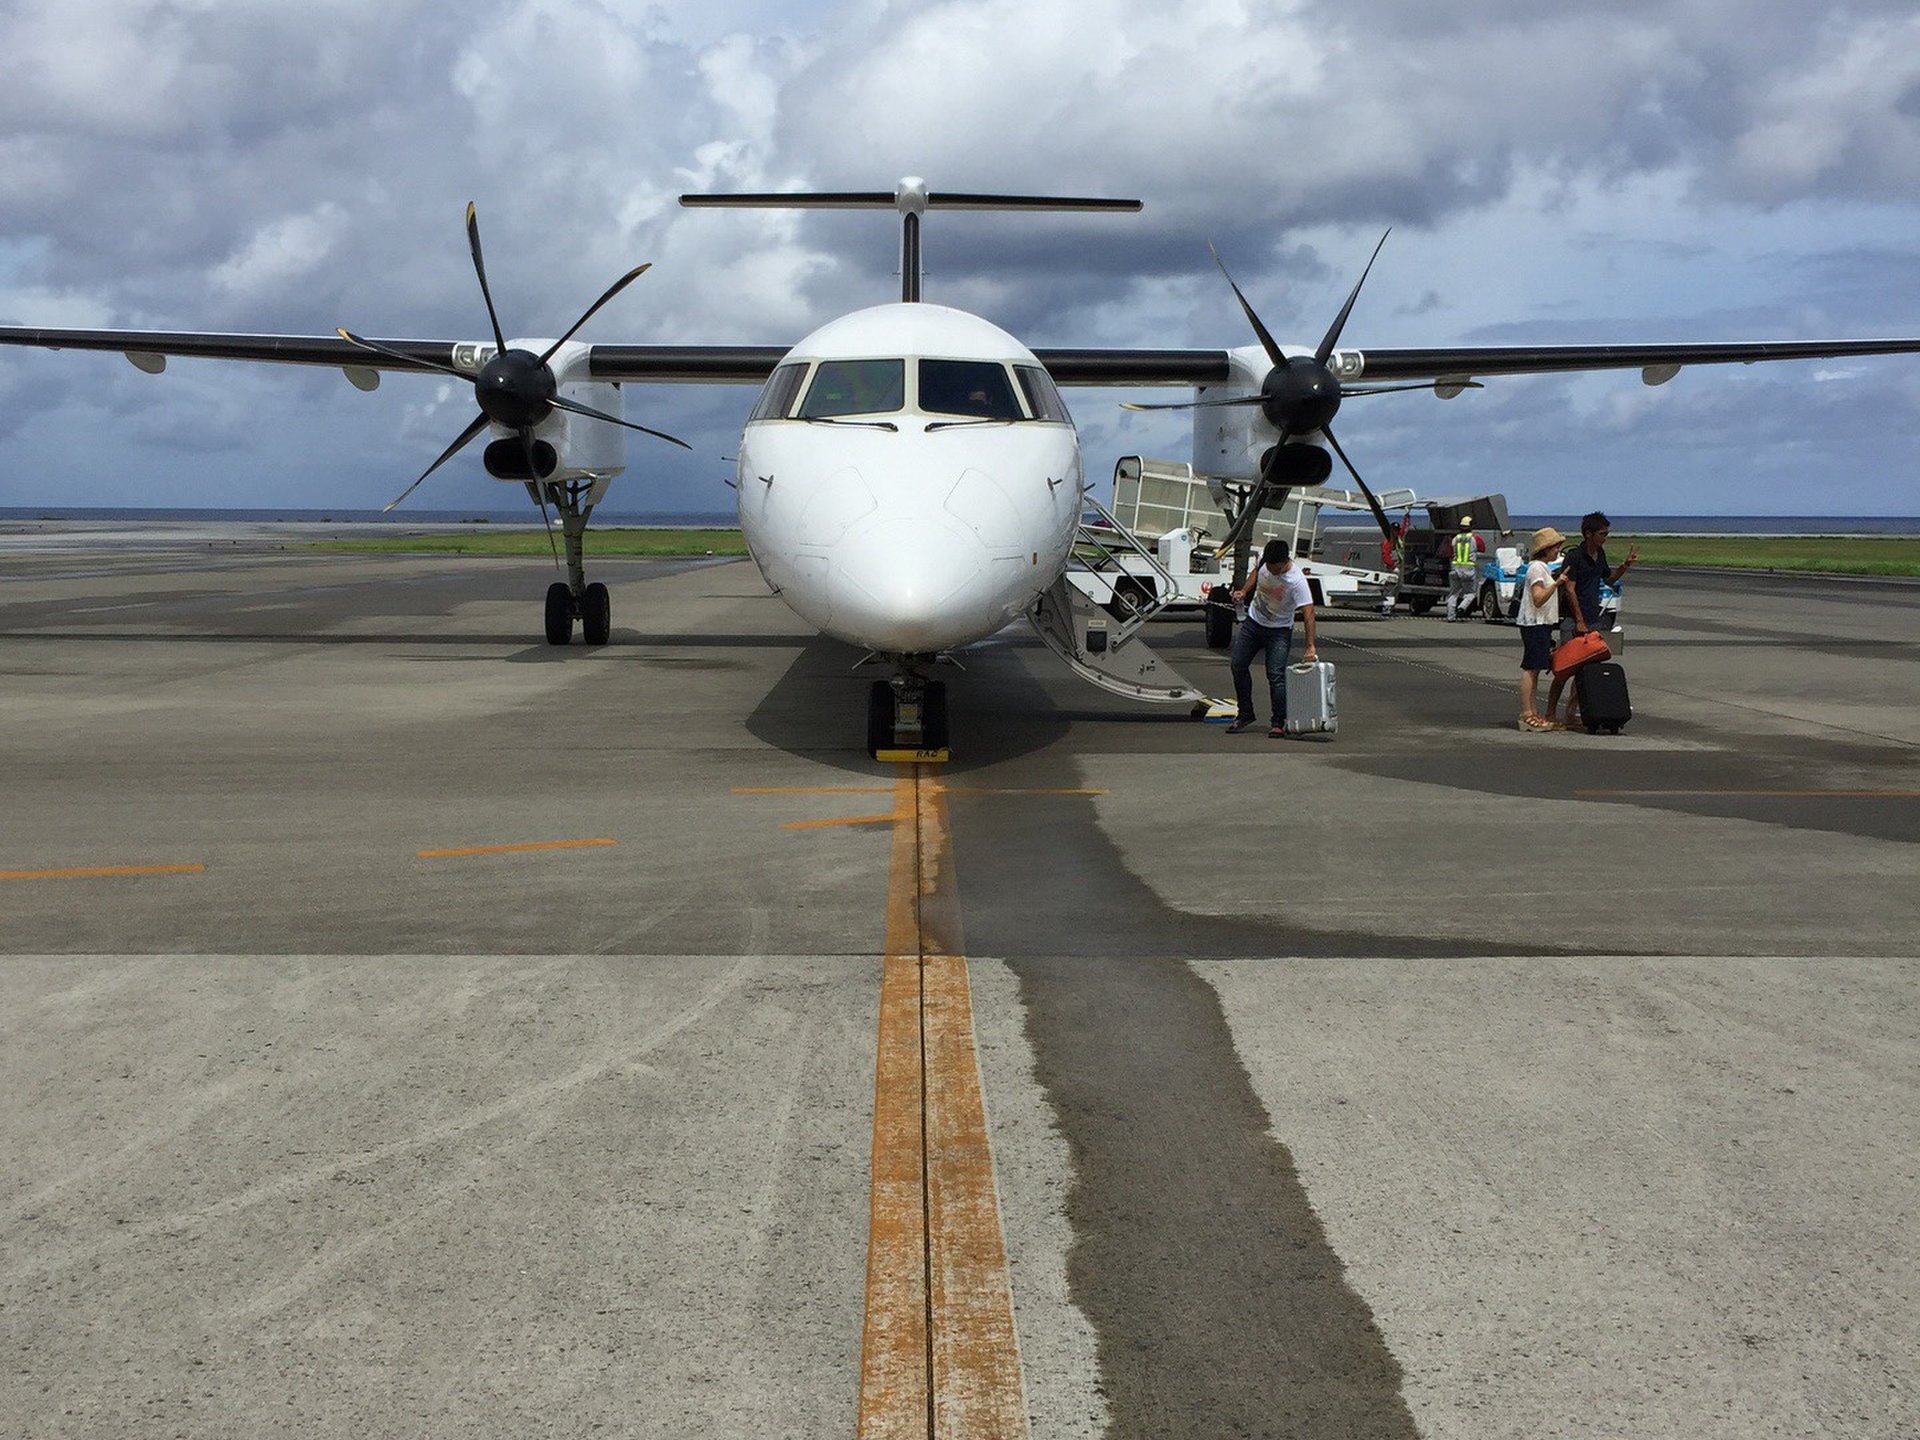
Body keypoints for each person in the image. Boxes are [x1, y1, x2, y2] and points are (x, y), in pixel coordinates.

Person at [1545, 510, 1640, 728]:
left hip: (1592, 618)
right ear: (1588, 534)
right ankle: (1550, 712)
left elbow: (1609, 579)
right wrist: (1579, 620)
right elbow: (1570, 590)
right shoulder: (1575, 557)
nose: (1605, 537)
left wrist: (1625, 565)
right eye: (1602, 533)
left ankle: (1570, 713)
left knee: (1585, 669)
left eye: (1606, 534)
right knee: (1564, 668)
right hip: (1573, 619)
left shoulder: (1600, 554)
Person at [1226, 538, 1318, 738]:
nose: (1270, 569)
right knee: (1237, 665)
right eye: (1267, 564)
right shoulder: (1265, 563)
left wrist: (1310, 646)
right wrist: (1244, 590)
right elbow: (1256, 573)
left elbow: (1309, 612)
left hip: (1279, 631)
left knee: (1275, 676)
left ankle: (1278, 721)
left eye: (1274, 567)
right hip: (1253, 623)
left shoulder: (1296, 581)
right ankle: (1245, 713)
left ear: (1284, 562)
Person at [1517, 526, 1571, 731]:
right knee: (1531, 668)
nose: (1558, 550)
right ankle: (1526, 713)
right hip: (1535, 623)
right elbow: (1538, 598)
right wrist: (1557, 584)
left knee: (1535, 668)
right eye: (1556, 546)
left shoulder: (1541, 567)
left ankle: (1532, 711)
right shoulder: (1537, 568)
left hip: (1540, 624)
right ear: (1546, 548)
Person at [1445, 515, 1484, 621]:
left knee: (1453, 594)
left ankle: (1450, 616)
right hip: (1469, 570)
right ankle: (1462, 608)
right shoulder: (1475, 538)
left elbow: (1449, 553)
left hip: (1455, 569)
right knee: (1470, 593)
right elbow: (1483, 548)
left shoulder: (1454, 539)